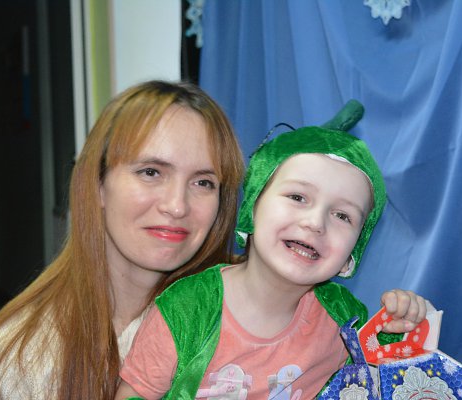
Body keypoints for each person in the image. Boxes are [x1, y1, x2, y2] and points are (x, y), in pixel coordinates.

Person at [115, 100, 427, 399]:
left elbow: (377, 379)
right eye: (298, 197)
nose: (315, 223)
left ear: (351, 256)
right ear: (251, 209)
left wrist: (397, 328)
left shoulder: (344, 318)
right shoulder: (187, 308)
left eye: (342, 216)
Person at [0, 80, 244, 399]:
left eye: (203, 182)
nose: (177, 206)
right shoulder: (26, 354)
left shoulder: (250, 321)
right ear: (97, 185)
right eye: (151, 172)